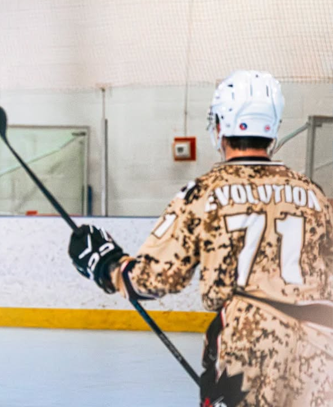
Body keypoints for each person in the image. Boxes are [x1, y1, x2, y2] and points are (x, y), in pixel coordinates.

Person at [68, 70, 333, 407]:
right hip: (322, 357)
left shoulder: (205, 193)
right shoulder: (313, 194)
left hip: (249, 349)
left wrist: (106, 264)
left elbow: (154, 279)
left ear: (221, 125)